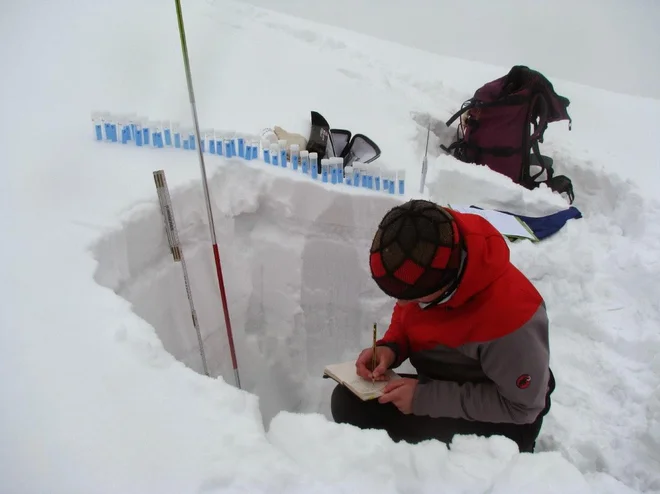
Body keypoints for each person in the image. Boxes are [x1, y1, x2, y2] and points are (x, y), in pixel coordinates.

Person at [330, 199, 555, 453]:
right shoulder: (434, 243)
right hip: (447, 384)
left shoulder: (513, 319)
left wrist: (425, 399)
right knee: (349, 401)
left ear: (446, 287)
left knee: (355, 411)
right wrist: (391, 347)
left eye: (414, 298)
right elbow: (409, 314)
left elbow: (523, 408)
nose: (402, 303)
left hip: (505, 420)